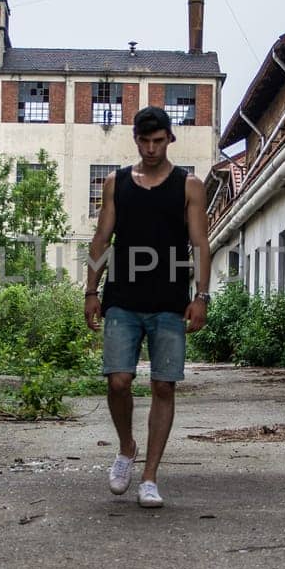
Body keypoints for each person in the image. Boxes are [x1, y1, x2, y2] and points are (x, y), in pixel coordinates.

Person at [84, 105, 211, 509]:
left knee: (162, 385)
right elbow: (101, 239)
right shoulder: (116, 183)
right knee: (118, 381)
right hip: (122, 298)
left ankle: (150, 477)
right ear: (136, 140)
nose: (152, 148)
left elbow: (200, 245)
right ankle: (126, 448)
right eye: (145, 141)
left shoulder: (188, 186)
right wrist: (91, 290)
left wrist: (201, 297)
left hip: (170, 302)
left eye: (159, 141)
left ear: (170, 139)